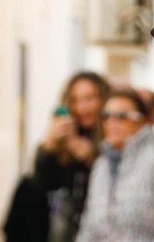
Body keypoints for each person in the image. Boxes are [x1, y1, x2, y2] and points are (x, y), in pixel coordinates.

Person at [73, 90, 154, 242]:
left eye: (121, 116)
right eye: (106, 116)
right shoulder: (101, 164)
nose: (111, 122)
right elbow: (88, 226)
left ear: (143, 120)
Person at [32, 72, 109, 242]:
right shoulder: (66, 136)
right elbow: (41, 184)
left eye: (89, 98)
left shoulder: (113, 133)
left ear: (104, 99)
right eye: (75, 100)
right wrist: (48, 146)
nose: (82, 107)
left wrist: (93, 159)